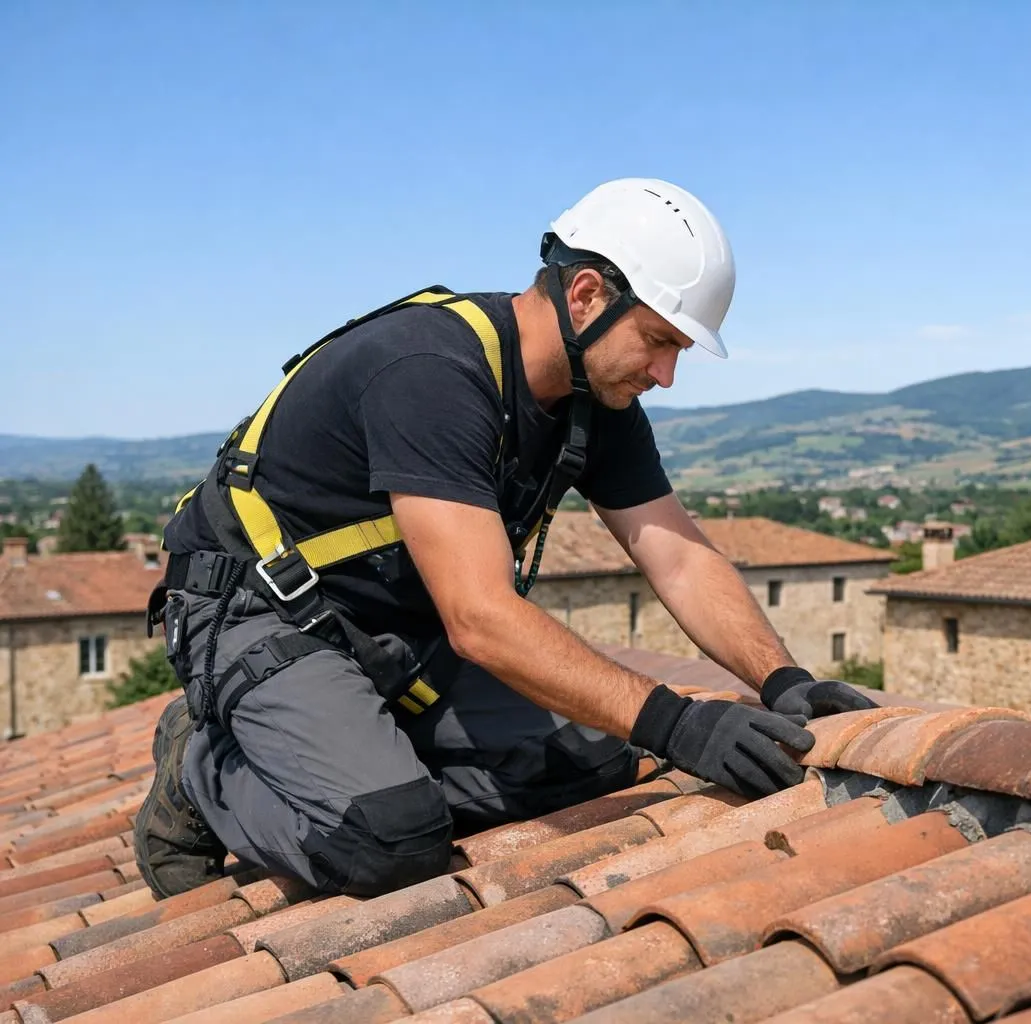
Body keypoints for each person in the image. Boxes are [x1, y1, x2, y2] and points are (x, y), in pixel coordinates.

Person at [133, 178, 877, 899]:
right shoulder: (431, 371)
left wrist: (784, 680)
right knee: (389, 838)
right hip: (259, 615)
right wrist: (678, 723)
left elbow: (677, 555)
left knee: (595, 761)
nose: (666, 374)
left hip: (396, 633)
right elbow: (480, 617)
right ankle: (202, 768)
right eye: (657, 341)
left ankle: (356, 747)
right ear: (586, 294)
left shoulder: (595, 406)